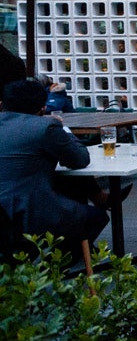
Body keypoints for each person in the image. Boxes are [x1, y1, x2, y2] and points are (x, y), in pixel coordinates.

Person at [0, 78, 110, 258]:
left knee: (67, 187)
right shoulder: (45, 127)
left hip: (5, 211)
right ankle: (57, 265)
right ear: (42, 108)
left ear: (2, 104)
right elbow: (80, 159)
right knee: (96, 217)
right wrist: (63, 128)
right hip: (25, 213)